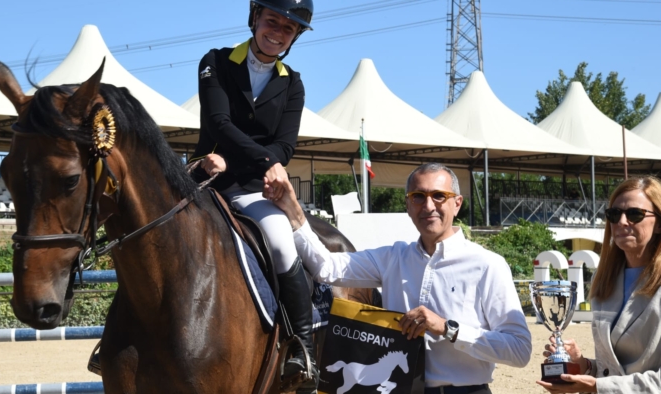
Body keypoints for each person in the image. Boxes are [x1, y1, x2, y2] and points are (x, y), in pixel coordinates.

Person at [267, 162, 532, 394]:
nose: (428, 206)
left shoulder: (488, 265)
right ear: (408, 204)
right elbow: (327, 268)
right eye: (418, 196)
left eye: (439, 196)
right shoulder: (393, 258)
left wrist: (447, 328)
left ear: (457, 203)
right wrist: (293, 209)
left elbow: (519, 350)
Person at [190, 1, 317, 392]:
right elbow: (218, 122)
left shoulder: (292, 83)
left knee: (281, 244)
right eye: (272, 21)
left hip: (253, 188)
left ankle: (303, 348)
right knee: (154, 228)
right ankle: (115, 334)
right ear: (255, 18)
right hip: (207, 174)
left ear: (294, 37)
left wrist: (271, 166)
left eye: (288, 29)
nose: (278, 32)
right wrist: (264, 159)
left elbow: (286, 143)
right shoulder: (215, 61)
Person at [536, 177, 661, 393]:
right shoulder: (603, 280)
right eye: (614, 214)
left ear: (659, 222)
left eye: (634, 214)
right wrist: (583, 364)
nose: (621, 222)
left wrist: (597, 386)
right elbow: (614, 370)